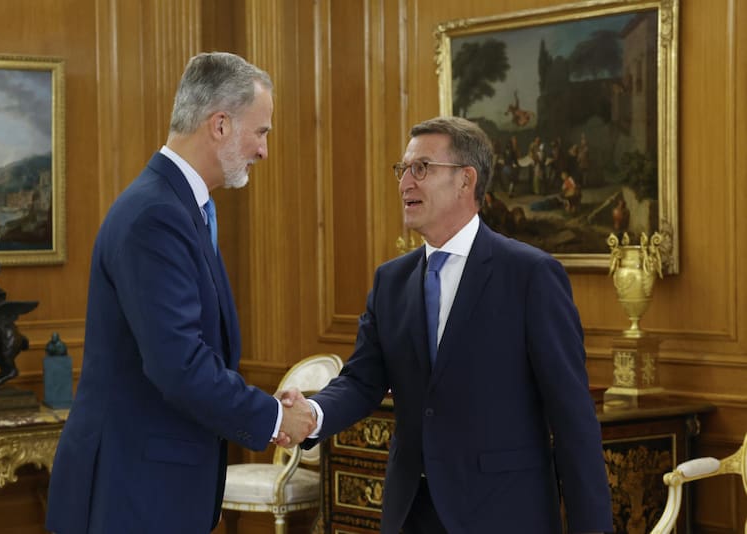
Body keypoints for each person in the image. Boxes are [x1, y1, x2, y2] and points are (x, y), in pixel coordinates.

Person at [283, 117, 613, 533]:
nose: (405, 182)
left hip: (502, 515)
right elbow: (362, 380)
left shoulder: (530, 276)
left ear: (465, 180)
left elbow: (573, 419)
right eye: (402, 169)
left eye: (421, 168)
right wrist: (312, 414)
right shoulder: (391, 281)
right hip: (411, 514)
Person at [45, 52, 316, 534]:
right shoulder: (157, 216)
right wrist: (273, 418)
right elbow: (179, 363)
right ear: (219, 125)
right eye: (261, 132)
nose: (263, 150)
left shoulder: (181, 207)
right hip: (131, 491)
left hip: (152, 487)